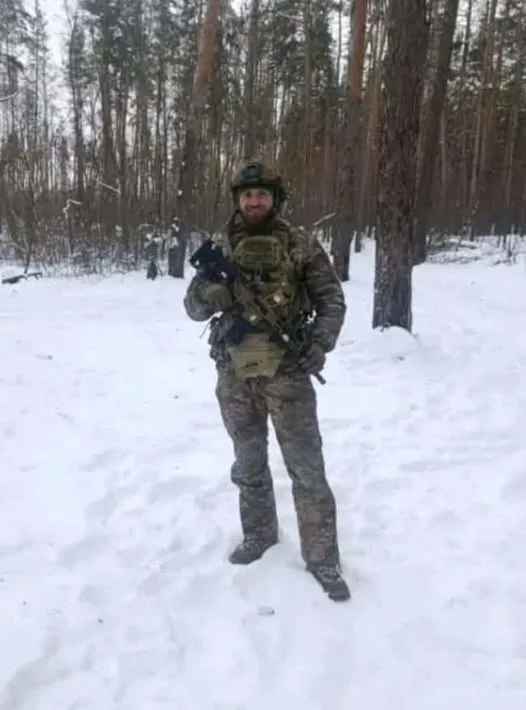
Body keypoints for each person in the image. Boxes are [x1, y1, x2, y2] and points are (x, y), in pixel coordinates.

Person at [183, 161, 350, 601]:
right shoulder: (221, 245)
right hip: (235, 373)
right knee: (248, 463)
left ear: (275, 199)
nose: (254, 201)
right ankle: (259, 536)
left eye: (261, 194)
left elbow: (331, 299)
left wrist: (320, 343)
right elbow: (192, 306)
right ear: (237, 200)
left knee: (307, 469)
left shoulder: (301, 243)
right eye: (246, 195)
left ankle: (322, 558)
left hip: (288, 372)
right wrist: (210, 294)